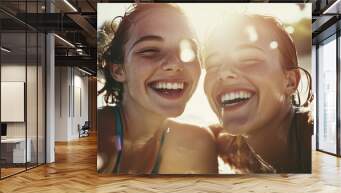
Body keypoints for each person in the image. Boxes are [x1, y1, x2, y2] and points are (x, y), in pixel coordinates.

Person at [97, 3, 218, 174]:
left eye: (188, 50)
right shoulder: (99, 133)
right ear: (118, 69)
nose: (175, 63)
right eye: (151, 50)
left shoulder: (199, 142)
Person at [203, 14, 313, 173]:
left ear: (290, 81)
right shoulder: (217, 142)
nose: (223, 72)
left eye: (248, 59)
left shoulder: (313, 139)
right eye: (212, 64)